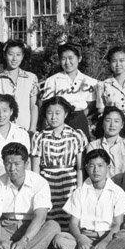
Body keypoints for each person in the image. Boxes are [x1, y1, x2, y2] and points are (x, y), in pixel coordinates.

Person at [53, 149, 125, 249]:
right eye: (91, 166)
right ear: (86, 168)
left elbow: (118, 224)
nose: (96, 170)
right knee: (59, 238)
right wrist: (80, 239)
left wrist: (105, 242)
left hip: (109, 236)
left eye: (100, 166)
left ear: (108, 167)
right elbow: (73, 224)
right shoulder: (80, 191)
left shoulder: (117, 192)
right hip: (85, 236)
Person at [31, 96, 88, 228]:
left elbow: (80, 167)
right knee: (49, 218)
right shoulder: (39, 137)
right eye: (50, 113)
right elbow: (36, 169)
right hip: (47, 182)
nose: (53, 117)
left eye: (58, 113)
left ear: (66, 114)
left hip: (70, 182)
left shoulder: (76, 135)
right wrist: (38, 189)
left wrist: (79, 189)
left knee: (70, 216)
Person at [42, 43, 98, 139]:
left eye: (70, 58)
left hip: (81, 119)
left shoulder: (90, 81)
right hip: (58, 121)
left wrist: (80, 116)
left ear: (79, 58)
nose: (67, 62)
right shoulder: (52, 80)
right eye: (63, 59)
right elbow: (47, 104)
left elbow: (92, 105)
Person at [86, 106, 125, 200]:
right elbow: (92, 173)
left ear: (122, 125)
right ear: (102, 123)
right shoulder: (93, 145)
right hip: (99, 194)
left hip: (123, 194)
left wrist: (120, 198)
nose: (112, 125)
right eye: (108, 120)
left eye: (116, 121)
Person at [0, 39, 39, 132]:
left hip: (26, 129)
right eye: (11, 54)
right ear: (5, 55)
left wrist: (32, 129)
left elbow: (33, 106)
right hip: (3, 130)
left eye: (18, 55)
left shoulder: (31, 78)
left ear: (23, 56)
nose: (14, 58)